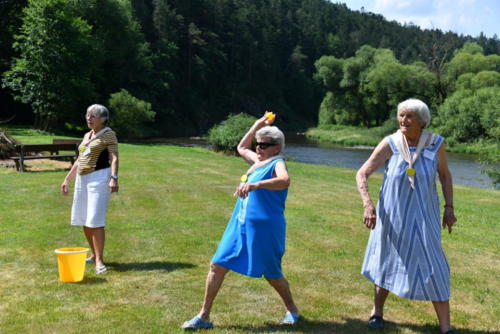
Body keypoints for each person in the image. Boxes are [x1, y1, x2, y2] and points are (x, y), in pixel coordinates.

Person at [182, 113, 299, 330]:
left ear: (277, 147)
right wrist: (257, 125)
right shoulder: (257, 161)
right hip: (240, 224)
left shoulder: (277, 162)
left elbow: (285, 181)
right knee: (217, 264)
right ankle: (204, 316)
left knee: (272, 274)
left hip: (265, 228)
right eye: (258, 144)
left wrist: (256, 185)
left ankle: (292, 310)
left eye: (264, 145)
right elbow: (241, 147)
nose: (258, 148)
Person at [356, 99, 457, 334]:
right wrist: (368, 205)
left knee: (434, 263)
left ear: (422, 121)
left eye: (409, 116)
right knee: (387, 258)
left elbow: (445, 176)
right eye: (401, 115)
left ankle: (446, 327)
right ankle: (377, 313)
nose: (403, 120)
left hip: (425, 216)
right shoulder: (390, 143)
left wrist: (449, 208)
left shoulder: (435, 144)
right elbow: (362, 173)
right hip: (393, 215)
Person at [61, 104, 119, 275]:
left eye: (93, 116)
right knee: (84, 219)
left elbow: (114, 158)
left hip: (99, 178)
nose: (89, 118)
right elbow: (79, 160)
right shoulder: (87, 135)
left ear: (103, 118)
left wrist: (114, 178)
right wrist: (67, 179)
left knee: (95, 219)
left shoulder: (108, 134)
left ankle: (100, 261)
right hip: (82, 179)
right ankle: (94, 255)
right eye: (87, 115)